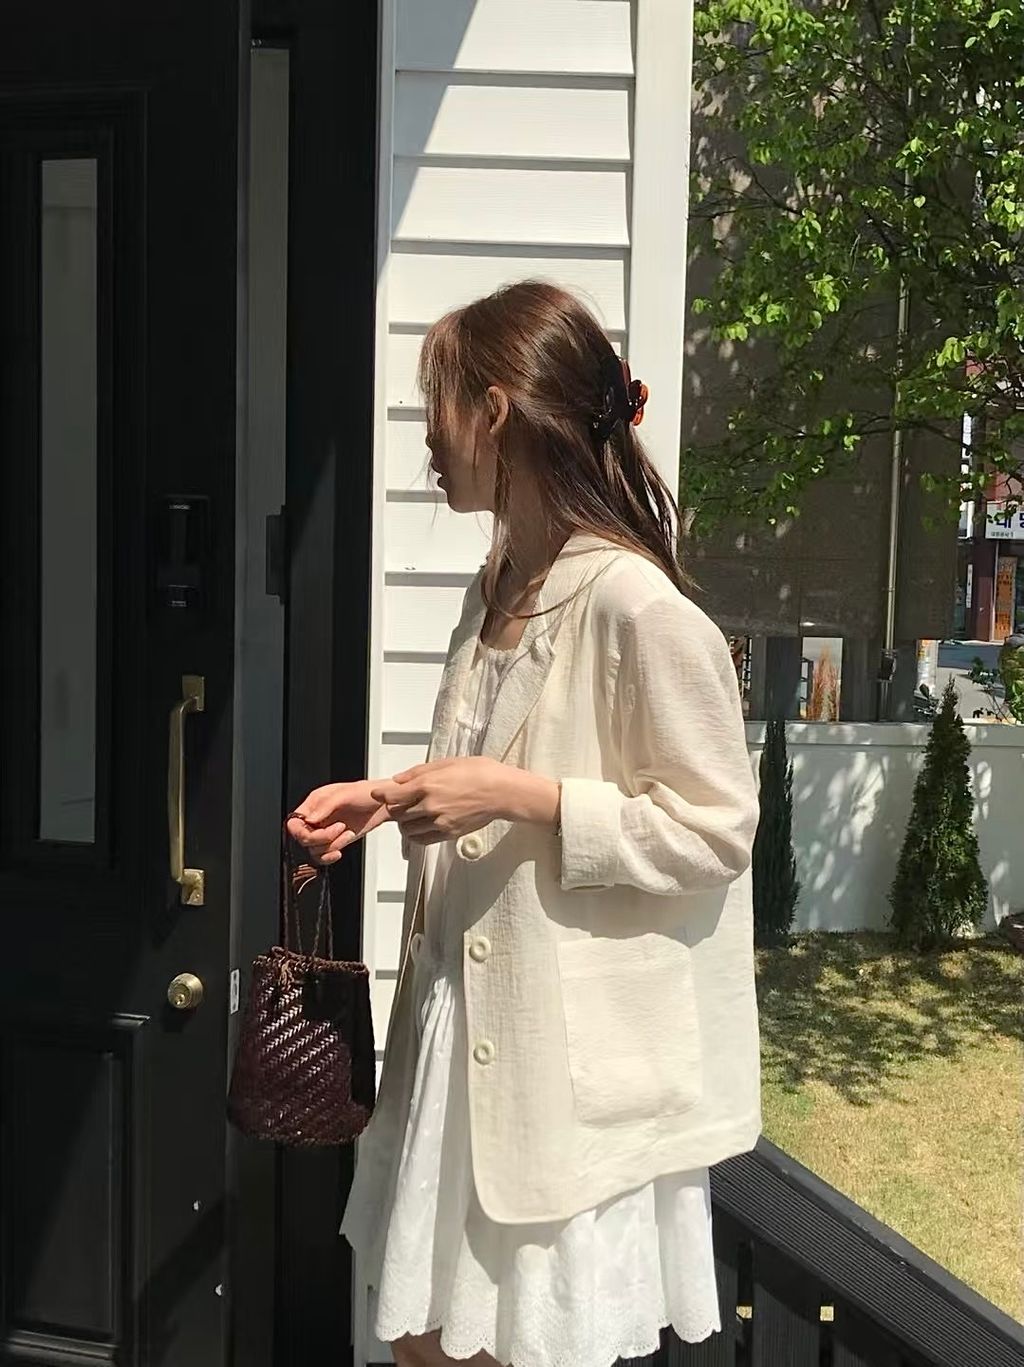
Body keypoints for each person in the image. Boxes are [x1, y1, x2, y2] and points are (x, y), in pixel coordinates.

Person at [287, 282, 762, 1367]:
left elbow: (716, 832)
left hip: (557, 1065)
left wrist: (521, 799)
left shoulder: (634, 606)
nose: (426, 435)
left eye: (436, 404)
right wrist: (388, 798)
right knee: (419, 1338)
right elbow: (496, 761)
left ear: (494, 413)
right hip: (457, 1036)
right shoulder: (500, 583)